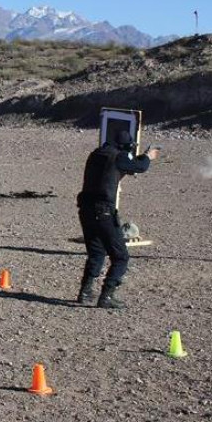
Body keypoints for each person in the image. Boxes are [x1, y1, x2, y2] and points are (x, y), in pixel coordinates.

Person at [75, 130, 160, 309]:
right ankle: (106, 296)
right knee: (121, 257)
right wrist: (147, 156)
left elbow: (116, 168)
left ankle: (85, 292)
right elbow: (139, 167)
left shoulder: (96, 154)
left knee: (97, 253)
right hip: (103, 212)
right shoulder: (118, 157)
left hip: (86, 210)